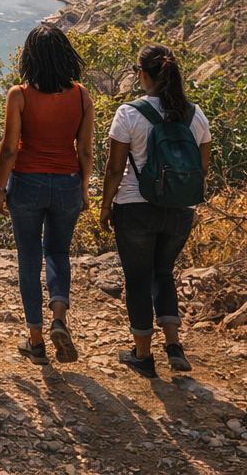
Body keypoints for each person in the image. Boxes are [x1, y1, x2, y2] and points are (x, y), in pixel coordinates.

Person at [99, 43, 212, 378]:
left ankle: (143, 355)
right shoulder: (196, 114)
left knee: (137, 280)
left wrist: (106, 206)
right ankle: (174, 346)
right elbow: (202, 170)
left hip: (135, 209)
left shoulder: (130, 113)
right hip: (180, 211)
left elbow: (113, 169)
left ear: (142, 75)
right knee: (163, 274)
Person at [0, 24, 94, 365]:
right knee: (58, 253)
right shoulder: (82, 96)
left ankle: (35, 340)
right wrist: (83, 189)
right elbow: (85, 152)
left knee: (28, 257)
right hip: (67, 183)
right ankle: (59, 319)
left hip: (26, 183)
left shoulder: (19, 95)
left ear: (29, 57)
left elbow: (9, 149)